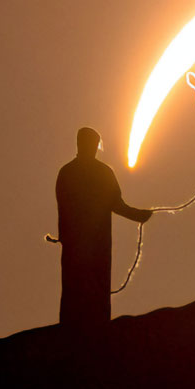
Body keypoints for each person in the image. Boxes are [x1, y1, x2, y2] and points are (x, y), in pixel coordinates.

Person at [55, 127, 151, 328]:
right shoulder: (98, 173)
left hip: (79, 244)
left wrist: (65, 237)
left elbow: (113, 203)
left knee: (79, 287)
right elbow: (116, 204)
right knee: (89, 286)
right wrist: (138, 215)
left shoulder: (68, 172)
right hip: (92, 244)